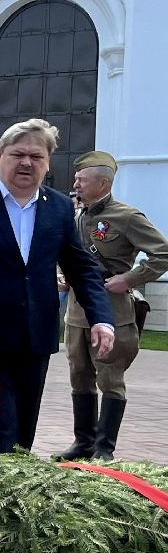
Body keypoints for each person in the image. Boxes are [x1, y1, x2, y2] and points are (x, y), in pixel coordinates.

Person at [0, 118, 113, 455]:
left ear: (47, 163)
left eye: (37, 156)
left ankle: (7, 500)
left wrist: (101, 318)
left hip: (36, 338)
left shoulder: (58, 206)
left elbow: (81, 268)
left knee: (23, 433)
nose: (27, 162)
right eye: (18, 154)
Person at [56, 150, 168, 461]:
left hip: (113, 308)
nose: (76, 184)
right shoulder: (76, 216)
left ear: (103, 183)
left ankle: (104, 449)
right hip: (78, 310)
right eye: (76, 179)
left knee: (109, 377)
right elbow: (67, 255)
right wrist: (62, 275)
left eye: (83, 180)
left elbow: (163, 254)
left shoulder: (127, 217)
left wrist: (129, 280)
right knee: (79, 373)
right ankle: (83, 443)